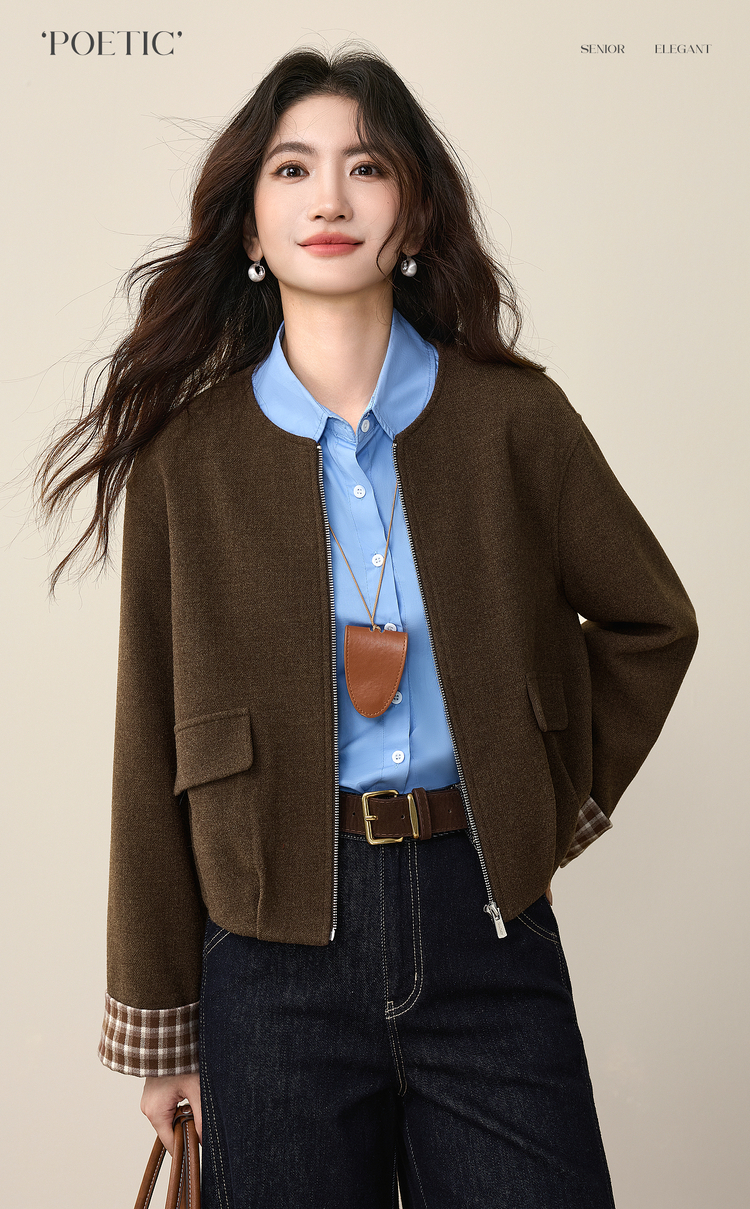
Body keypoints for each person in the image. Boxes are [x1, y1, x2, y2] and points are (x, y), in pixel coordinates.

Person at [36, 45, 698, 1209]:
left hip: (483, 924)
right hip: (268, 954)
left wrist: (541, 798)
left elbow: (653, 621)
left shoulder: (513, 420)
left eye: (368, 167)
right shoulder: (189, 461)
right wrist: (163, 1028)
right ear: (251, 227)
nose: (330, 198)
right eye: (293, 169)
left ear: (414, 216)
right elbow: (149, 741)